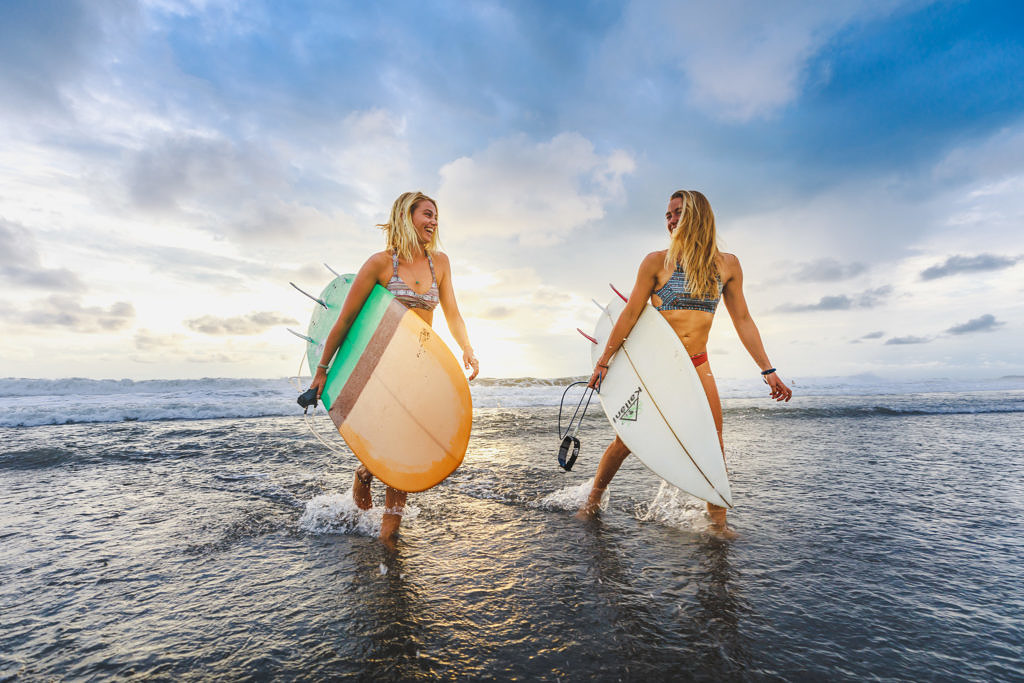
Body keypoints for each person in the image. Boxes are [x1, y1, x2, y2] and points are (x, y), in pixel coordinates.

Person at [577, 189, 792, 536]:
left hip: (697, 364)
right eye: (668, 215)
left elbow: (743, 320)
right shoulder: (656, 262)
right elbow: (630, 314)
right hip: (657, 369)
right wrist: (604, 362)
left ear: (698, 215)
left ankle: (718, 524)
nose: (671, 220)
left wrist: (768, 370)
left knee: (713, 442)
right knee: (626, 440)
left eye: (678, 212)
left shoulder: (728, 265)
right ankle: (592, 501)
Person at [309, 191, 479, 547]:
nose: (434, 222)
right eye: (427, 214)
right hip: (382, 373)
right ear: (406, 216)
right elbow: (345, 321)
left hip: (421, 370)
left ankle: (370, 482)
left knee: (405, 443)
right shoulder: (380, 264)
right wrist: (323, 369)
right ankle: (388, 534)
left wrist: (467, 348)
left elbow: (452, 313)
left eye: (436, 216)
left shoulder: (440, 263)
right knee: (398, 447)